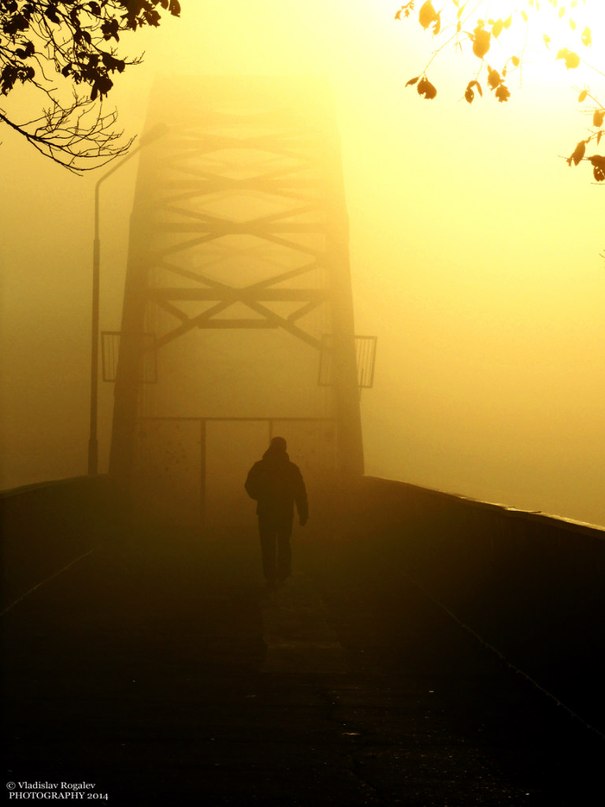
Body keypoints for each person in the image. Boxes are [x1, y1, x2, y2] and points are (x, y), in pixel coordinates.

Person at [245, 436, 308, 589]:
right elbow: (300, 493)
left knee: (267, 544)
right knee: (284, 543)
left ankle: (270, 575)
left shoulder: (261, 466)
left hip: (266, 512)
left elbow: (249, 485)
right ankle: (283, 574)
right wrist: (303, 512)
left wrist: (260, 496)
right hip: (285, 512)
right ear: (285, 448)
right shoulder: (291, 469)